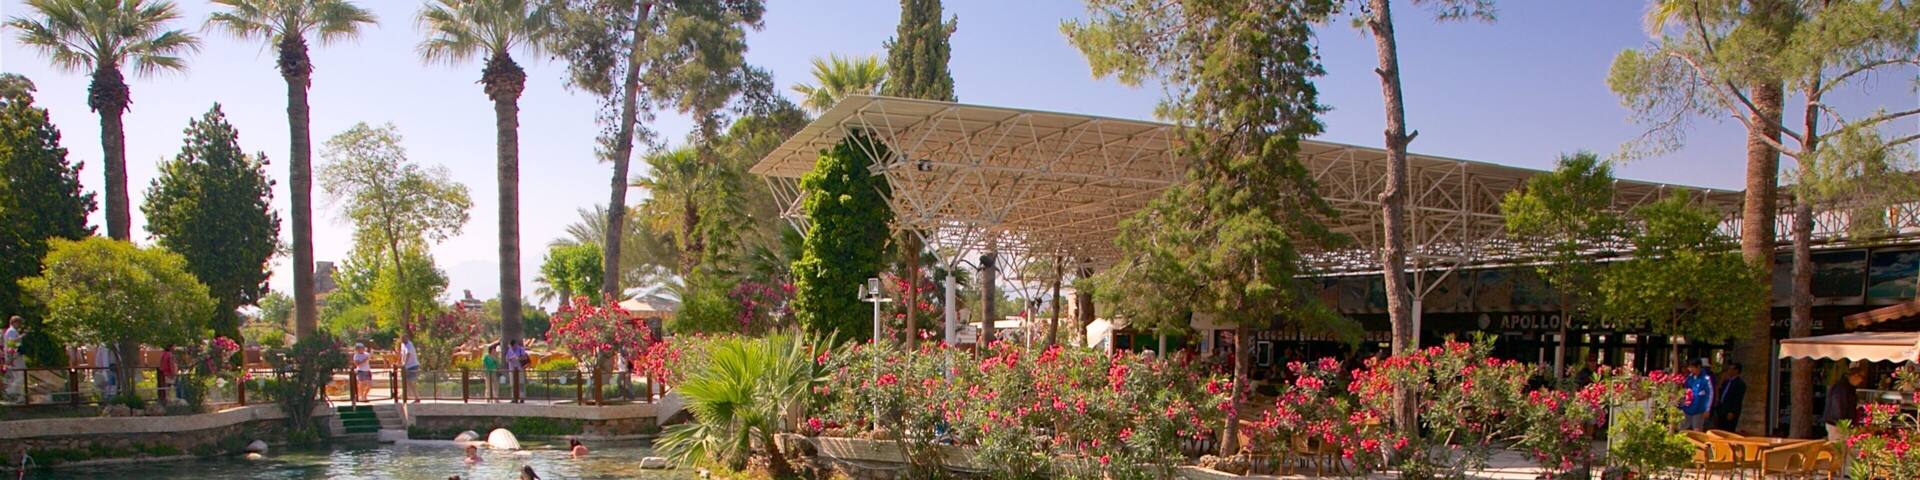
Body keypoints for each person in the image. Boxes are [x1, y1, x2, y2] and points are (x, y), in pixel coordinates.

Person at [1822, 365, 1866, 441]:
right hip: (1837, 424)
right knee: (1838, 446)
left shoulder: (1847, 387)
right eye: (1862, 377)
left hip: (1841, 424)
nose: (1861, 381)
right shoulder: (1841, 388)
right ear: (1855, 375)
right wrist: (1842, 424)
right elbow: (1837, 407)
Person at [1711, 362, 1747, 431]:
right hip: (1722, 409)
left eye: (1731, 369)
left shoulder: (1740, 384)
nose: (1729, 371)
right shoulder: (1726, 382)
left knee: (1728, 429)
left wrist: (1732, 411)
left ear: (1736, 371)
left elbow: (1737, 399)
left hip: (1730, 411)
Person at [1681, 358, 1714, 431]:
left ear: (1698, 367)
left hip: (1699, 408)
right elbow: (1685, 390)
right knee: (1683, 428)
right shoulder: (1689, 377)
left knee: (1696, 430)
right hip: (1688, 407)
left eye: (1692, 367)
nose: (1690, 369)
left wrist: (1707, 409)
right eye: (1689, 367)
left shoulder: (1706, 379)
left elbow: (1710, 394)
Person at [3, 316, 23, 402]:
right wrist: (11, 358)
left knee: (18, 377)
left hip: (15, 357)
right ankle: (9, 391)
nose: (20, 325)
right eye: (19, 323)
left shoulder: (13, 331)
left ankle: (19, 397)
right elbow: (11, 345)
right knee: (21, 375)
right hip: (15, 358)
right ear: (14, 322)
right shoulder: (12, 331)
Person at [400, 335, 421, 403]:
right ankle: (406, 396)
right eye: (402, 339)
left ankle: (417, 397)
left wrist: (404, 364)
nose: (403, 340)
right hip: (406, 367)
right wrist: (400, 362)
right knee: (407, 382)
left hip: (412, 365)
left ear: (407, 338)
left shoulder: (409, 344)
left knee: (411, 382)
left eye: (404, 339)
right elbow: (402, 354)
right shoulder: (402, 344)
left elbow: (408, 354)